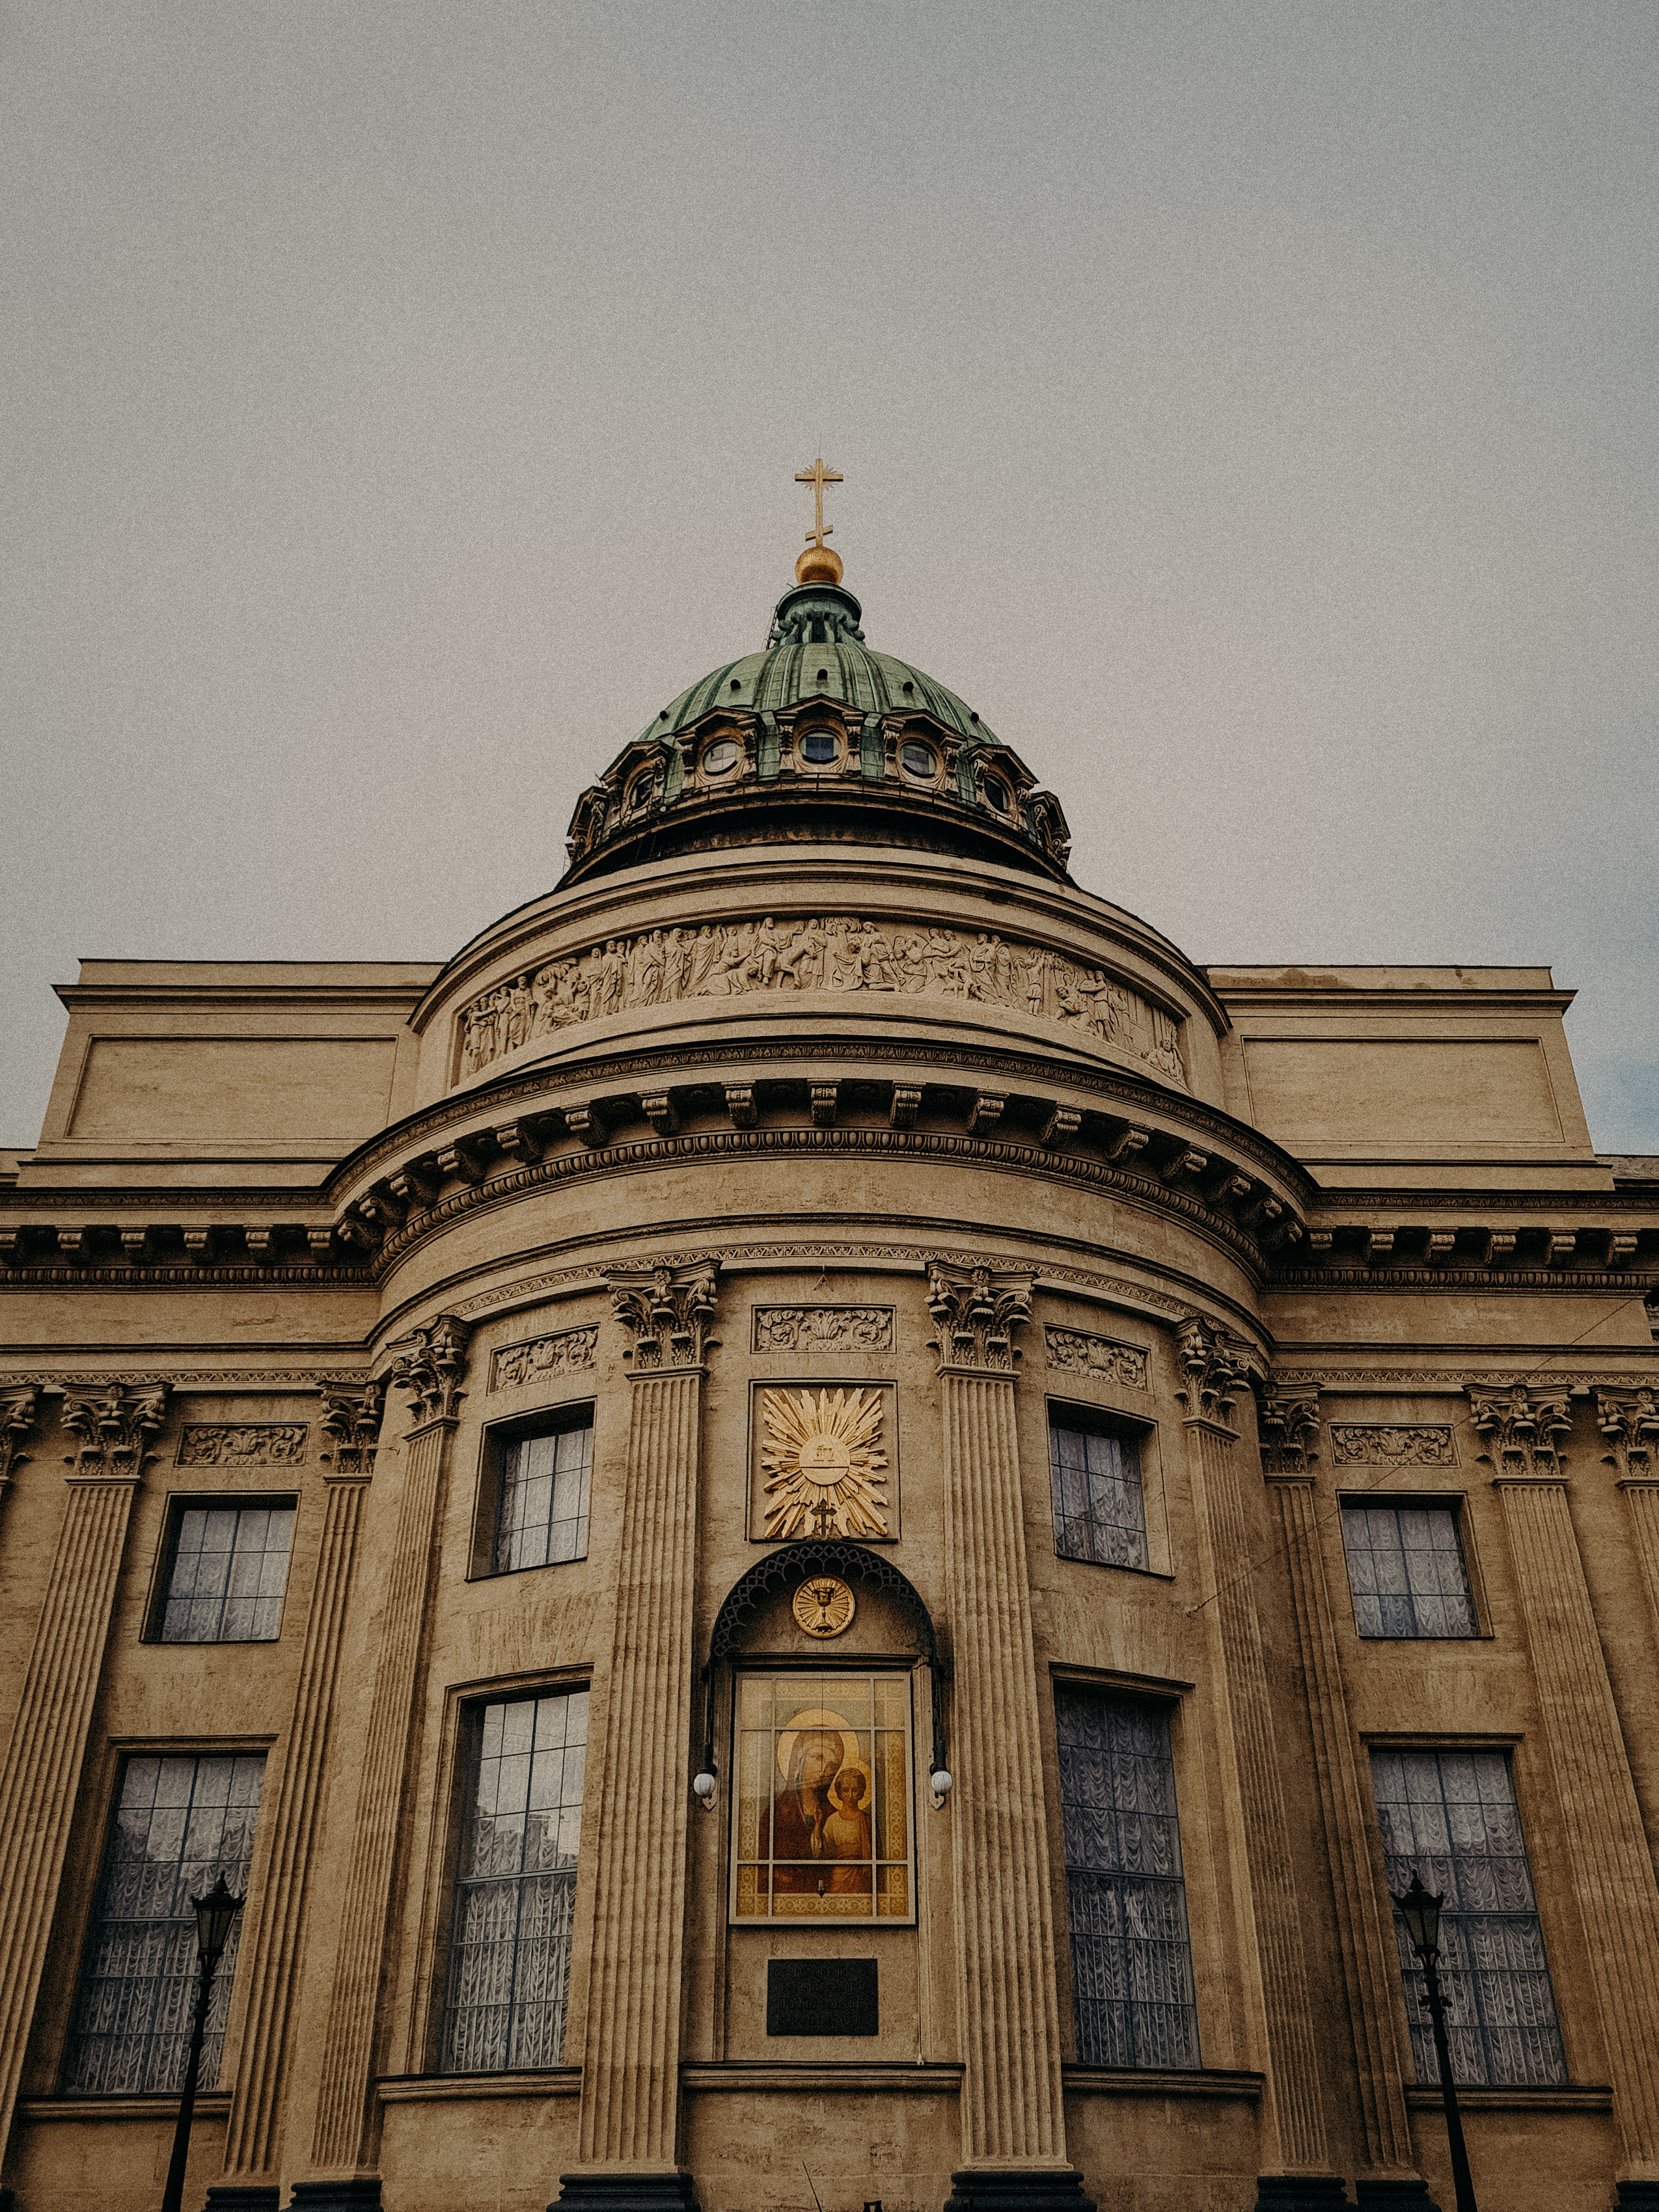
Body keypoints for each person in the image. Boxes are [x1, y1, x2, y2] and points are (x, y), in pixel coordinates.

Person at [821, 1765, 873, 1893]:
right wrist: (817, 1829)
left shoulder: (867, 1821)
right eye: (846, 1790)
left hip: (861, 1875)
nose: (850, 1795)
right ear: (839, 1792)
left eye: (855, 1790)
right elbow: (824, 1852)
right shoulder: (832, 1820)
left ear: (861, 1792)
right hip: (838, 1875)